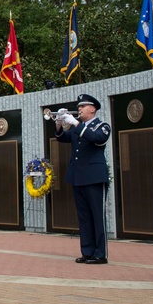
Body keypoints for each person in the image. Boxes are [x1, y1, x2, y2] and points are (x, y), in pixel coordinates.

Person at [53, 93, 112, 264]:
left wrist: (75, 123)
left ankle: (100, 254)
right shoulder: (78, 128)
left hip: (94, 178)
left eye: (82, 106)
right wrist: (58, 122)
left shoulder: (101, 126)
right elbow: (62, 137)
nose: (79, 109)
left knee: (97, 216)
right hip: (78, 178)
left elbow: (96, 139)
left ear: (92, 109)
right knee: (84, 217)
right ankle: (87, 251)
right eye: (79, 106)